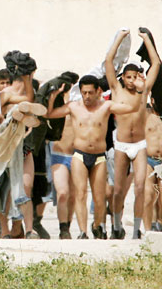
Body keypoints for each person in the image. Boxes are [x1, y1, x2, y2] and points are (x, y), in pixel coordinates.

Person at [46, 75, 144, 239]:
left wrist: (140, 90)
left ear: (98, 91)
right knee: (81, 193)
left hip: (99, 156)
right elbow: (49, 114)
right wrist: (54, 95)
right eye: (84, 93)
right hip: (79, 155)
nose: (87, 97)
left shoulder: (106, 106)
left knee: (99, 198)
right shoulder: (73, 107)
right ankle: (83, 232)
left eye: (90, 93)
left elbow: (131, 108)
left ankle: (97, 225)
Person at [105, 29, 161, 239]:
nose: (130, 81)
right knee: (118, 189)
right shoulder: (117, 90)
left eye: (133, 77)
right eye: (127, 77)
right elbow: (108, 61)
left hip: (139, 144)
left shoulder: (144, 90)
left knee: (139, 187)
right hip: (121, 144)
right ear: (123, 78)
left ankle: (137, 229)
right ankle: (117, 225)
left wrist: (147, 40)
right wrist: (119, 38)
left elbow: (156, 64)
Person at [143, 98, 162, 231]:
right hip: (148, 159)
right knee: (148, 194)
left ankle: (159, 223)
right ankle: (147, 228)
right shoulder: (146, 113)